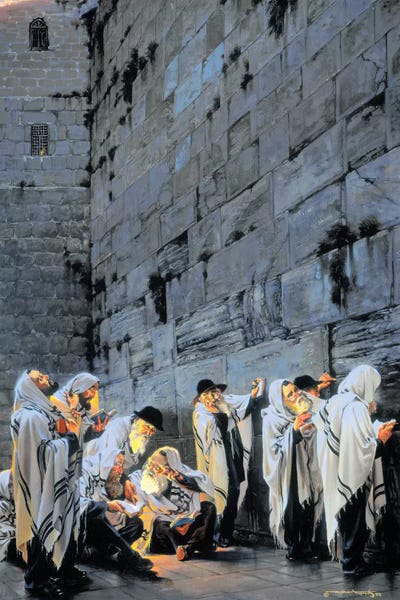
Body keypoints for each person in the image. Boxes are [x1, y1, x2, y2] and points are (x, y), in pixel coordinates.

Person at [10, 370, 85, 597]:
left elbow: (56, 441)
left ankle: (63, 570)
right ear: (30, 388)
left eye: (43, 375)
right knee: (40, 521)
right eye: (38, 379)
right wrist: (71, 437)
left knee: (63, 519)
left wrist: (76, 431)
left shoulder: (44, 412)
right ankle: (37, 580)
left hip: (54, 478)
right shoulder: (30, 417)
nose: (45, 378)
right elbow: (44, 454)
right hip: (39, 483)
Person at [317, 364, 396, 576]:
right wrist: (380, 440)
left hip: (338, 469)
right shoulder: (356, 406)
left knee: (349, 518)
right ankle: (352, 564)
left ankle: (352, 561)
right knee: (356, 519)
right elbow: (360, 446)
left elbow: (345, 437)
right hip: (353, 472)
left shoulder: (337, 401)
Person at [192, 377, 265, 547]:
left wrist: (254, 394)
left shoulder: (222, 405)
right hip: (217, 462)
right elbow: (207, 431)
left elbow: (238, 408)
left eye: (218, 392)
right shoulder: (200, 412)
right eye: (214, 392)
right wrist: (216, 412)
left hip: (231, 457)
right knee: (222, 495)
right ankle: (218, 536)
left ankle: (227, 533)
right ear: (205, 396)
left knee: (234, 492)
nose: (219, 396)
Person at [261, 379, 323, 562]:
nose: (296, 395)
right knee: (293, 508)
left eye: (296, 390)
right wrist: (295, 430)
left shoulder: (302, 410)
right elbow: (273, 449)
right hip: (287, 473)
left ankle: (308, 544)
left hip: (304, 467)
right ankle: (295, 547)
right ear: (281, 400)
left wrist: (309, 429)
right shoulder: (271, 419)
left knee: (308, 505)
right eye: (290, 394)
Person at [129, 447, 216, 561]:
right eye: (150, 463)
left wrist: (188, 521)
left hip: (186, 524)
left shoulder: (181, 474)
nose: (151, 468)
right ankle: (186, 548)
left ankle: (188, 548)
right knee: (160, 524)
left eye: (157, 466)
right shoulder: (140, 478)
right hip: (165, 532)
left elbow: (203, 485)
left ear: (168, 468)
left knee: (209, 507)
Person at [79, 448, 152, 571]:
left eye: (122, 465)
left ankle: (101, 552)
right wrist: (107, 506)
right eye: (118, 464)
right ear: (106, 464)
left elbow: (116, 491)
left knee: (136, 523)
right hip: (85, 532)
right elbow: (79, 505)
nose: (121, 470)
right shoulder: (85, 474)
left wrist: (132, 508)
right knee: (98, 517)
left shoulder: (106, 475)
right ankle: (130, 555)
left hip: (103, 533)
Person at [84, 406, 164, 470]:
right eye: (146, 427)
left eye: (152, 430)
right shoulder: (118, 427)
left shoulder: (140, 439)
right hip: (92, 465)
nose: (148, 433)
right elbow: (109, 460)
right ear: (136, 420)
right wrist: (125, 480)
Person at [51, 372, 106, 442]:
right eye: (92, 390)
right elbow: (64, 438)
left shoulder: (81, 407)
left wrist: (93, 431)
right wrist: (72, 410)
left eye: (95, 391)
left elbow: (82, 438)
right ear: (79, 387)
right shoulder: (57, 403)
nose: (93, 395)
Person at [0, 469, 19, 564]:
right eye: (10, 480)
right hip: (6, 544)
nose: (13, 484)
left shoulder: (20, 505)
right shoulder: (2, 506)